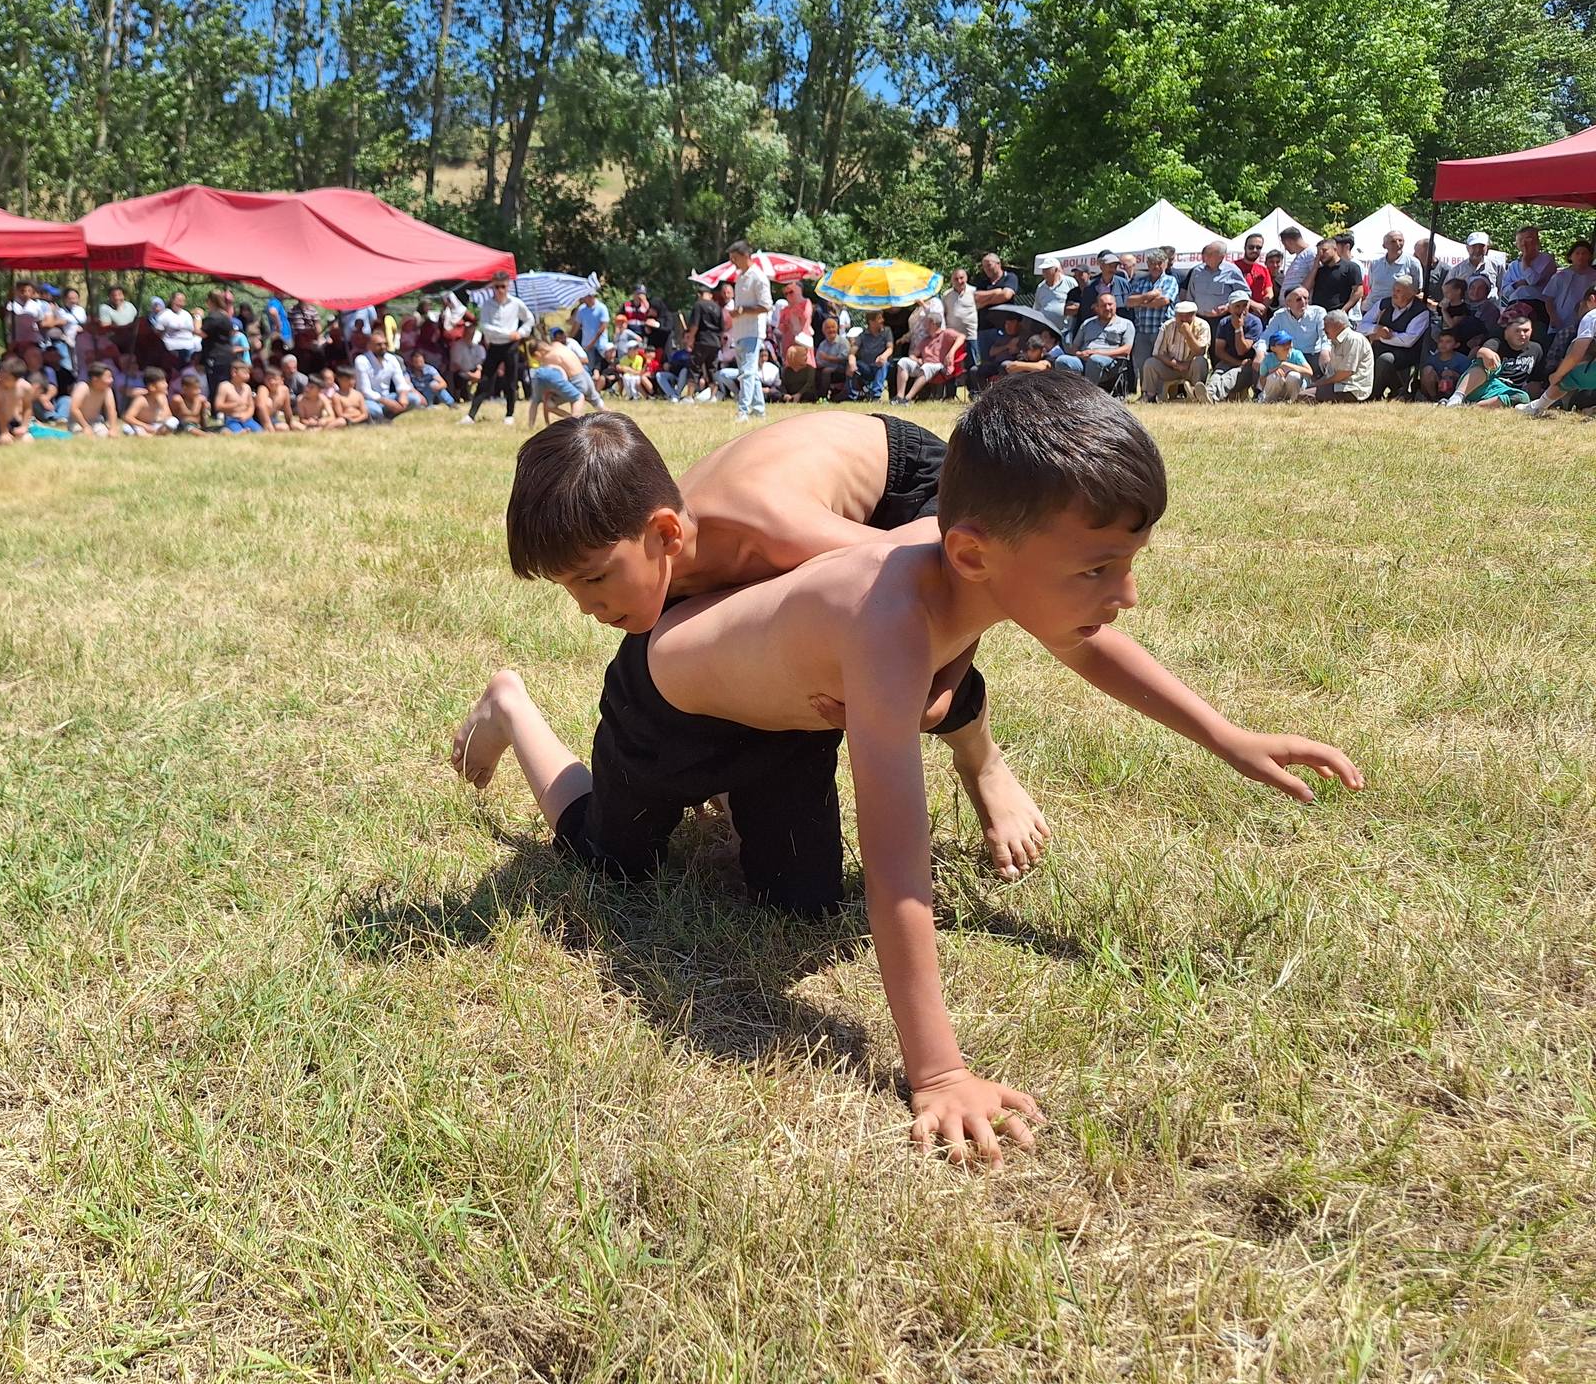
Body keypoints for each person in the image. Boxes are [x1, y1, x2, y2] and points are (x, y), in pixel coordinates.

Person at [452, 384, 1361, 1160]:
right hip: (668, 708)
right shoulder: (886, 612)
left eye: (1122, 566)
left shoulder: (963, 563)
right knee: (612, 858)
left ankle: (814, 769)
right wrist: (939, 1071)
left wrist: (1228, 736)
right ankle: (513, 708)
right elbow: (897, 862)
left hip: (794, 690)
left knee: (800, 902)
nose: (1123, 596)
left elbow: (1083, 644)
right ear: (972, 553)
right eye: (1098, 570)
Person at [464, 273, 535, 426]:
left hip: (511, 347)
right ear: (492, 287)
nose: (500, 290)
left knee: (511, 380)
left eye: (503, 286)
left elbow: (530, 319)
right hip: (495, 346)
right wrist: (509, 334)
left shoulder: (516, 303)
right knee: (485, 380)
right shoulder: (487, 305)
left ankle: (509, 414)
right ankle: (471, 415)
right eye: (497, 287)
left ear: (508, 286)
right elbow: (486, 327)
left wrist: (521, 333)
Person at [1517, 280, 1596, 415]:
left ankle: (1537, 407)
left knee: (1567, 378)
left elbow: (1576, 354)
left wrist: (1558, 374)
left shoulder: (1592, 316)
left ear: (1592, 300)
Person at [1445, 312, 1543, 409]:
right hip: (1482, 384)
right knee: (1483, 362)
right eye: (1517, 331)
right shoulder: (1496, 342)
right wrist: (1486, 353)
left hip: (1504, 392)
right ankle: (1457, 397)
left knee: (1523, 397)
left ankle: (1470, 407)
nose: (1522, 334)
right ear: (1506, 333)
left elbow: (1535, 381)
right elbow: (1482, 351)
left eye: (1526, 331)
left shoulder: (1536, 349)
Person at [724, 241, 773, 420]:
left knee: (748, 372)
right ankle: (759, 410)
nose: (733, 263)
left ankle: (743, 411)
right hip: (740, 331)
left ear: (745, 256)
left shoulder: (758, 277)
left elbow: (766, 305)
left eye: (735, 258)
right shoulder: (741, 277)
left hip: (753, 330)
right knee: (750, 373)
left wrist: (743, 310)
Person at [1362, 275, 1431, 399]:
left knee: (1385, 360)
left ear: (1410, 294)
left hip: (1407, 352)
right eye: (1393, 289)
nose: (1394, 293)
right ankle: (1396, 390)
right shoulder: (1384, 303)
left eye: (1398, 291)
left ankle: (1372, 395)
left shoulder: (1421, 312)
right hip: (1380, 346)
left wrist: (1380, 337)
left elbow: (1408, 340)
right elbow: (1361, 325)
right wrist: (1375, 329)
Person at [1142, 302, 1210, 402]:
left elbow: (1200, 351)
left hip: (1192, 367)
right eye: (1180, 315)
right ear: (1175, 315)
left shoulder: (1203, 326)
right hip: (1171, 367)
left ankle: (1196, 393)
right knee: (1150, 363)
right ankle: (1150, 396)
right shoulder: (1167, 326)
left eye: (1188, 315)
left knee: (1200, 361)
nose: (1184, 318)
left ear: (1194, 315)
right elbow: (1158, 352)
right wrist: (1175, 364)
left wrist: (1188, 334)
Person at [1125, 250, 1178, 379]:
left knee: (1160, 365)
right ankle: (1146, 393)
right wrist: (1149, 295)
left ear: (1165, 264)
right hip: (1142, 331)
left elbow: (1163, 301)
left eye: (1159, 263)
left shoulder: (1170, 281)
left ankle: (1160, 395)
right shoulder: (1141, 282)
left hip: (1161, 331)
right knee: (1142, 365)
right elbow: (1129, 302)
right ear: (1147, 265)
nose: (1156, 267)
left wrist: (1141, 302)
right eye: (1152, 263)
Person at [526, 331, 593, 428]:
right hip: (562, 378)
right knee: (578, 397)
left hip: (540, 377)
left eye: (536, 359)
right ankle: (575, 423)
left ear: (537, 353)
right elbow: (561, 371)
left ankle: (531, 425)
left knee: (537, 401)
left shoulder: (546, 360)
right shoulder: (556, 348)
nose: (538, 361)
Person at [1306, 308, 1373, 404]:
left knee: (1304, 396)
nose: (1324, 329)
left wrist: (1320, 384)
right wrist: (1315, 384)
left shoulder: (1354, 339)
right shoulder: (1335, 341)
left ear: (1338, 325)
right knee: (1304, 392)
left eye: (1326, 325)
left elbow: (1345, 373)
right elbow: (1330, 373)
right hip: (1337, 386)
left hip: (1351, 389)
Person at [1072, 290, 1135, 389]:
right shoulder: (1087, 323)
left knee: (1095, 360)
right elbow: (1075, 346)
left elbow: (1126, 349)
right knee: (1063, 361)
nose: (1107, 308)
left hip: (1110, 361)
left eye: (1110, 304)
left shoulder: (1126, 324)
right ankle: (1070, 394)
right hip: (1084, 358)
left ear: (1115, 305)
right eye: (1103, 305)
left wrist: (1097, 353)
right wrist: (1078, 354)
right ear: (1097, 308)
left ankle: (1089, 394)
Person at [1363, 230, 1422, 321]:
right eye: (1393, 241)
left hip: (1395, 311)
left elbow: (1417, 290)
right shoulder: (1375, 263)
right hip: (1371, 308)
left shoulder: (1413, 263)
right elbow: (1371, 285)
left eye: (1400, 240)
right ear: (1384, 245)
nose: (1398, 244)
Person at [1542, 240, 1595, 333]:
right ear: (1570, 256)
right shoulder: (1560, 276)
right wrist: (1553, 317)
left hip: (1587, 322)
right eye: (1577, 253)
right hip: (1561, 321)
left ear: (1590, 256)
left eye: (1584, 253)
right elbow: (1548, 299)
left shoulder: (1594, 276)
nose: (1581, 256)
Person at [1258, 330, 1317, 403]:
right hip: (1276, 391)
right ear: (1273, 348)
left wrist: (1287, 365)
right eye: (1282, 344)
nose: (1287, 346)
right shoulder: (1267, 359)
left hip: (1295, 388)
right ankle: (1270, 401)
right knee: (1274, 377)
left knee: (1293, 376)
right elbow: (1262, 381)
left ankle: (1295, 400)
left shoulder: (1296, 354)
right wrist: (1275, 371)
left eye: (1289, 342)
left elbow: (1309, 372)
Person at [1416, 330, 1472, 401]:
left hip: (1455, 389)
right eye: (1441, 341)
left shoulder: (1463, 360)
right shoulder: (1432, 359)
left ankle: (1454, 398)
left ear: (1456, 345)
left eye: (1448, 342)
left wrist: (1454, 374)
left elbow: (1468, 379)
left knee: (1448, 376)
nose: (1443, 344)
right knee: (1427, 370)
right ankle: (1433, 398)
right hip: (1435, 388)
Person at [70, 362, 123, 436]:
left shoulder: (107, 390)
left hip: (96, 422)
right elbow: (74, 409)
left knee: (106, 436)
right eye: (108, 377)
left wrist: (113, 428)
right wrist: (85, 427)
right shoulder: (83, 387)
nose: (111, 380)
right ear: (95, 379)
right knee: (84, 436)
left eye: (111, 377)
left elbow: (111, 410)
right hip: (78, 423)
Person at [123, 366, 176, 434]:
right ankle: (148, 433)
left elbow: (168, 415)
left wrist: (161, 417)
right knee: (127, 429)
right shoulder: (141, 400)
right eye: (163, 383)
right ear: (152, 387)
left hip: (155, 425)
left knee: (173, 421)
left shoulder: (163, 398)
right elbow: (128, 417)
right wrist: (145, 426)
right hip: (140, 425)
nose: (166, 385)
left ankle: (156, 433)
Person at [1449, 231, 1506, 295]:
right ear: (1467, 247)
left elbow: (1504, 289)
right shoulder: (1456, 270)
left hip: (1490, 304)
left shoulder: (1497, 266)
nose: (1478, 250)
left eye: (1482, 246)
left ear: (1487, 247)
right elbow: (1449, 293)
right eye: (1474, 246)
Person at [216, 358, 264, 432]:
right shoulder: (224, 386)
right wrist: (233, 405)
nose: (248, 375)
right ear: (234, 372)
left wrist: (247, 415)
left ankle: (247, 429)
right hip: (232, 419)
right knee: (238, 431)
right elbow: (218, 406)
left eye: (248, 373)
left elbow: (251, 406)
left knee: (259, 431)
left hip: (247, 418)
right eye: (245, 373)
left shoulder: (247, 387)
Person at [1234, 234, 1274, 314]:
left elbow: (1269, 292)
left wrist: (1263, 307)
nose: (1255, 250)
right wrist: (1253, 304)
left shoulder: (1263, 270)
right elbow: (1230, 291)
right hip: (1238, 313)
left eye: (1258, 248)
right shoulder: (1233, 267)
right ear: (1245, 247)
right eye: (1251, 247)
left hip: (1259, 315)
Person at [1029, 259, 1073, 328]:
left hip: (1066, 329)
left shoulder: (1069, 282)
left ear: (1056, 270)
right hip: (1047, 330)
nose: (1044, 272)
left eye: (1047, 270)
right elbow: (1037, 307)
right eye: (1043, 270)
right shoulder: (1041, 287)